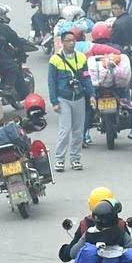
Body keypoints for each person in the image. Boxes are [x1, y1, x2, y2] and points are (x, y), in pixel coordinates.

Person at [46, 27, 90, 173]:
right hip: (63, 99)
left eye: (73, 41)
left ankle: (75, 159)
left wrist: (93, 95)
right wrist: (54, 102)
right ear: (62, 43)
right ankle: (59, 160)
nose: (71, 43)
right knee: (65, 131)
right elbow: (51, 82)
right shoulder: (55, 60)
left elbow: (86, 77)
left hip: (79, 98)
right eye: (68, 41)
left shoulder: (82, 57)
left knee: (78, 131)